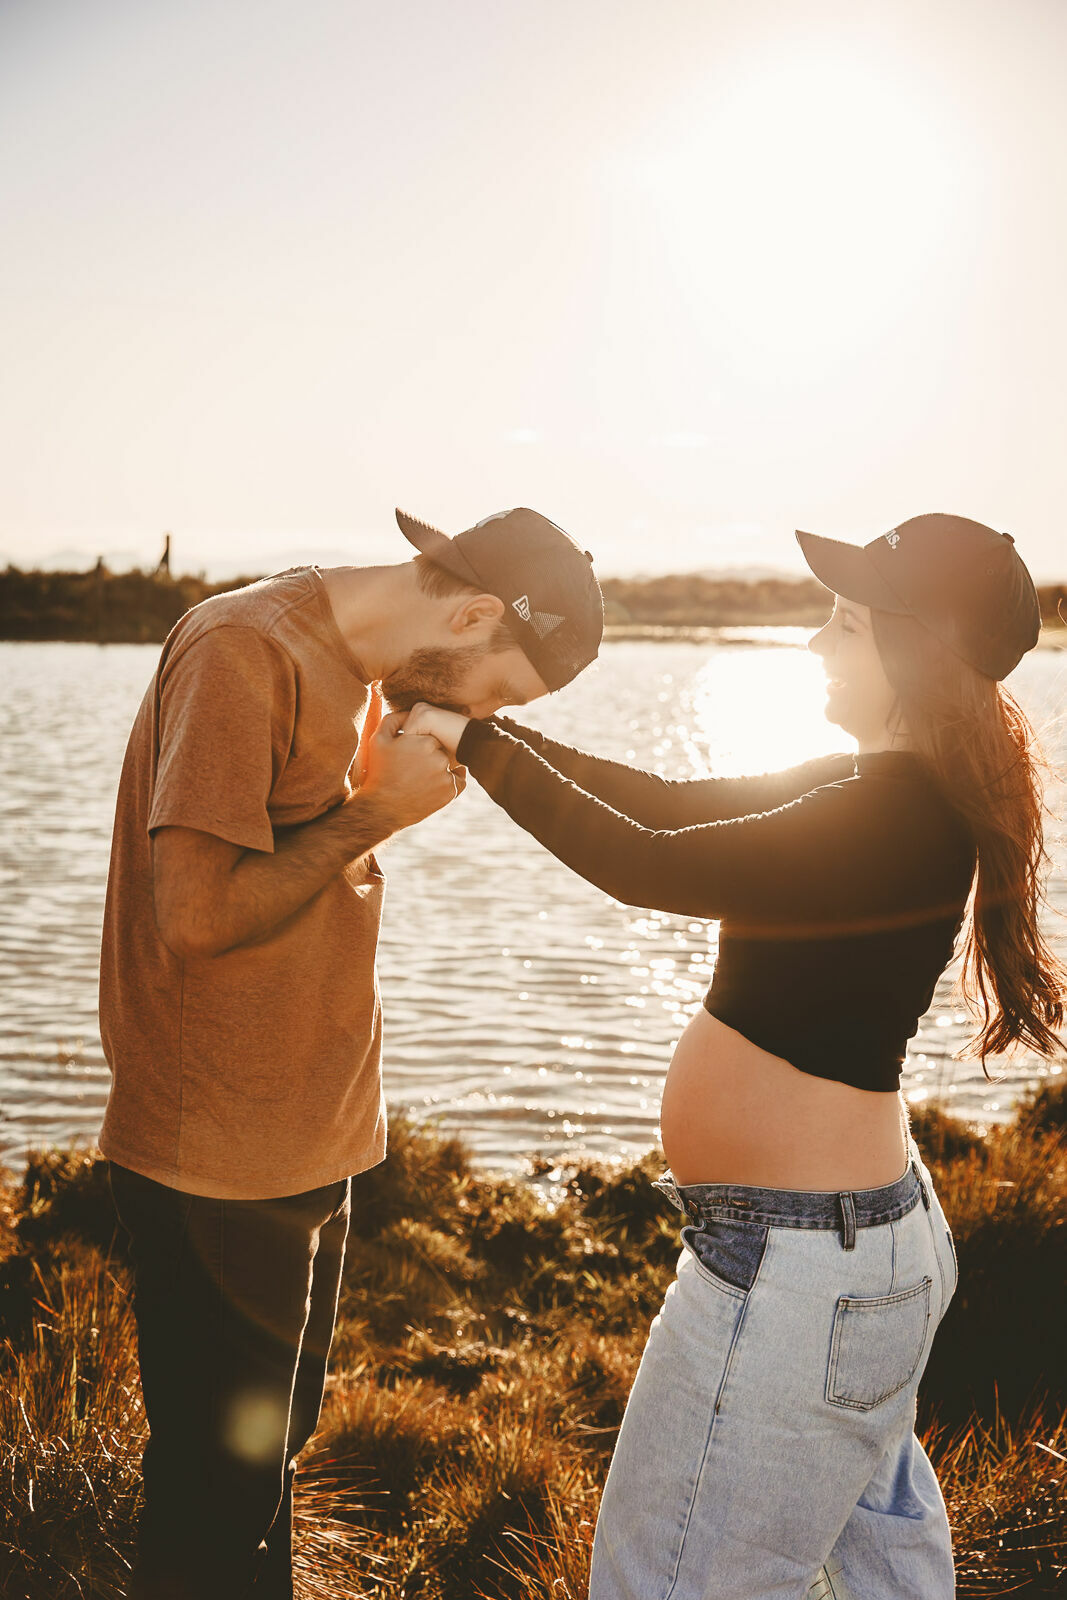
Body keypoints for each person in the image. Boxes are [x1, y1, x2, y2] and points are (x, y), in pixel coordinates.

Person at [405, 512, 1066, 1600]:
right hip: (851, 1258)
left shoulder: (887, 818)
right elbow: (664, 805)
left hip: (800, 1271)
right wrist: (488, 731)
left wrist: (471, 743)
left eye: (843, 623)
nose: (813, 642)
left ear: (910, 650)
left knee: (660, 1582)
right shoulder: (882, 791)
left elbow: (638, 860)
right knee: (882, 1573)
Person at [96, 505, 604, 1600]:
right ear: (470, 612)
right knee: (210, 1515)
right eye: (500, 691)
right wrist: (374, 814)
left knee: (266, 1474)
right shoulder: (246, 650)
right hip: (215, 1163)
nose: (483, 721)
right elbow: (192, 915)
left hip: (309, 1147)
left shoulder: (365, 668)